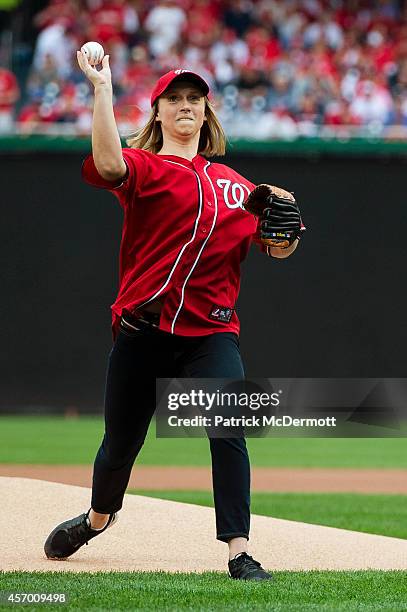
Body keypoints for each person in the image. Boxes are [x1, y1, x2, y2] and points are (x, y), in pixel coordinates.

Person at [43, 49, 304, 581]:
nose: (185, 106)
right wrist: (101, 90)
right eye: (174, 99)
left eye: (194, 99)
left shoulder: (237, 186)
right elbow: (110, 164)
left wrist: (286, 229)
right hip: (144, 330)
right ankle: (97, 517)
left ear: (206, 113)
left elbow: (277, 248)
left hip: (211, 331)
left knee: (228, 425)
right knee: (119, 446)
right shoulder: (144, 167)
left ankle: (239, 550)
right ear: (158, 111)